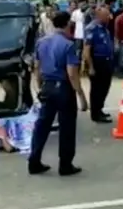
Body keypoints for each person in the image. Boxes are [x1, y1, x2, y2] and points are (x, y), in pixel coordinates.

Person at [29, 11, 87, 176]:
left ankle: (34, 160)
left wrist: (40, 87)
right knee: (67, 127)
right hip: (63, 88)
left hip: (47, 87)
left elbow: (37, 68)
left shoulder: (42, 42)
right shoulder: (68, 45)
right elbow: (72, 74)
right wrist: (81, 95)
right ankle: (65, 164)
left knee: (42, 125)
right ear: (68, 24)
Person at [82, 6, 115, 123]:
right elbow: (86, 50)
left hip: (107, 62)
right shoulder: (92, 28)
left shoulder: (104, 28)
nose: (109, 17)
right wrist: (90, 66)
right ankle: (95, 113)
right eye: (107, 15)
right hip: (97, 62)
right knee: (97, 89)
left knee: (105, 87)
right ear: (99, 16)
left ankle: (99, 109)